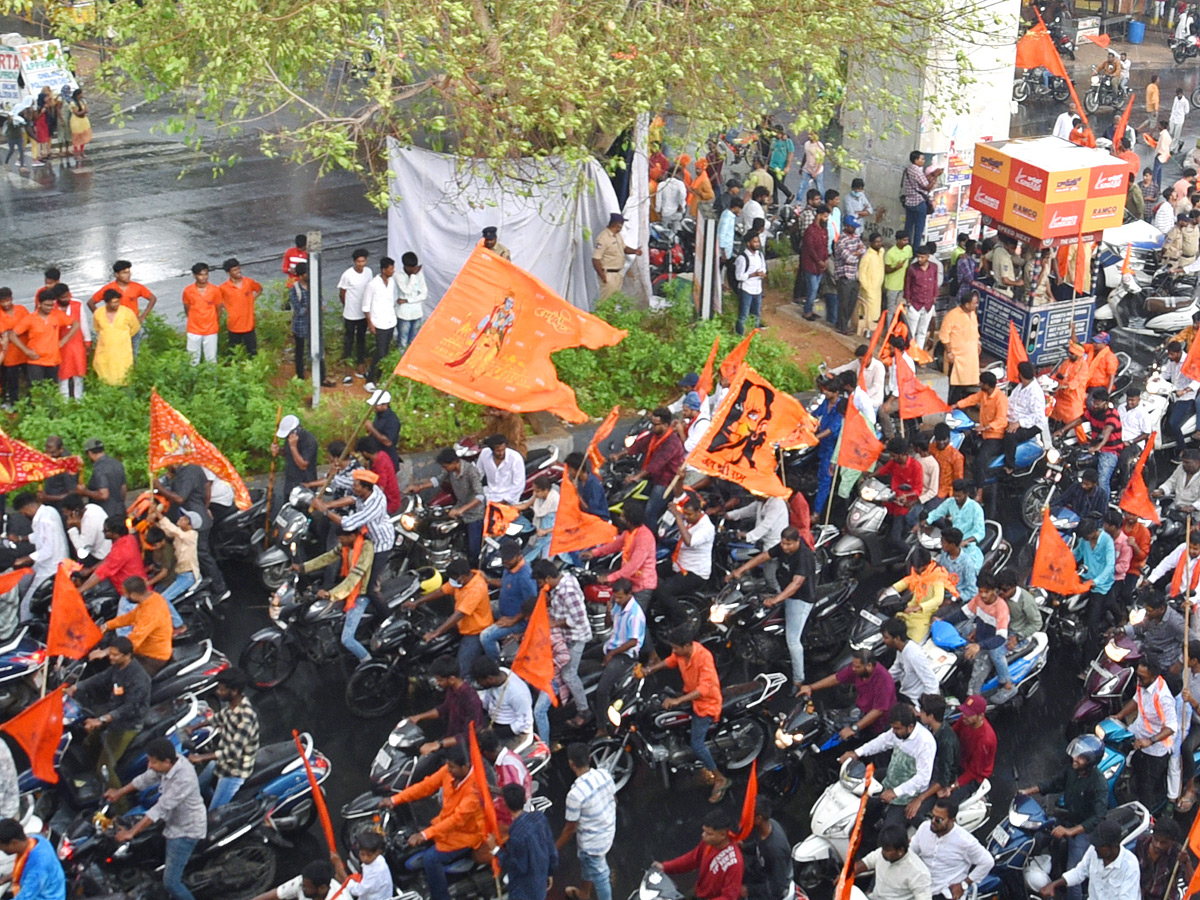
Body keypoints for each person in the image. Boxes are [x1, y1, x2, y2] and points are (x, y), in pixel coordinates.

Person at [376, 745, 484, 900]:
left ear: (465, 767)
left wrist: (424, 835)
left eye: (452, 767)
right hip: (441, 827)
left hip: (464, 836)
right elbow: (426, 786)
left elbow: (455, 820)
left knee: (430, 859)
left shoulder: (474, 791)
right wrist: (395, 799)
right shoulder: (449, 772)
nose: (448, 769)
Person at [104, 738, 207, 900]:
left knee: (171, 882)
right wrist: (118, 793)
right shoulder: (170, 763)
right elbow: (145, 779)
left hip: (186, 830)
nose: (150, 765)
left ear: (166, 762)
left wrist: (131, 832)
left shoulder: (184, 778)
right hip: (172, 821)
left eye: (153, 762)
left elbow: (160, 809)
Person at [639, 626, 729, 802]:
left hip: (706, 704)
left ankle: (720, 778)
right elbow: (670, 661)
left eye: (676, 648)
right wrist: (650, 670)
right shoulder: (681, 654)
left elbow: (704, 689)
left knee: (697, 744)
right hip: (689, 697)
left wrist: (678, 701)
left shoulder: (704, 657)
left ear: (688, 645)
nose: (674, 651)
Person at [1020, 734, 1110, 900]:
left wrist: (1070, 831)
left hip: (1085, 831)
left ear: (1091, 761)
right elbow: (1053, 784)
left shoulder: (1099, 783)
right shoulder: (1072, 770)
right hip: (1067, 818)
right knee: (1036, 837)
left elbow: (1098, 817)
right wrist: (1027, 792)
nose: (1075, 759)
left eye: (1081, 757)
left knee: (1073, 874)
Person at [726, 526, 814, 687]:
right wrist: (740, 570)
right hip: (783, 590)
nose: (785, 548)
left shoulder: (804, 556)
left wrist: (776, 600)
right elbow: (764, 556)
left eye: (789, 544)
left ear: (797, 542)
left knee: (793, 641)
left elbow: (796, 584)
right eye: (783, 544)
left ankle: (798, 681)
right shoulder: (782, 548)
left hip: (799, 599)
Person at [838, 703, 936, 836]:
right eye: (893, 728)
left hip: (906, 796)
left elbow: (923, 778)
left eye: (897, 728)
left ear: (910, 727)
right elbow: (881, 742)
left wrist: (896, 792)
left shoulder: (925, 743)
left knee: (887, 834)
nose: (894, 732)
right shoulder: (897, 733)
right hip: (889, 781)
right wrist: (857, 753)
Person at [311, 467, 395, 619]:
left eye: (356, 486)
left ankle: (386, 619)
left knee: (371, 588)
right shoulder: (364, 490)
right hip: (366, 539)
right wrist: (332, 478)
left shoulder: (375, 503)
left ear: (365, 488)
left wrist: (325, 510)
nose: (353, 487)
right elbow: (342, 484)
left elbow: (349, 524)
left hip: (380, 544)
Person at [188, 667, 259, 810]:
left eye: (222, 689)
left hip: (235, 770)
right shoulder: (232, 705)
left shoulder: (246, 717)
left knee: (215, 812)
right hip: (221, 759)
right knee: (196, 788)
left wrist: (200, 758)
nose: (218, 692)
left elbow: (232, 753)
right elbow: (219, 717)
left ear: (234, 691)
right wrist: (194, 727)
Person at [533, 558, 592, 724]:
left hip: (576, 636)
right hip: (565, 635)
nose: (540, 586)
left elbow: (578, 619)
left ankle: (584, 711)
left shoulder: (568, 591)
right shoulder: (562, 581)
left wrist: (555, 623)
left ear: (548, 579)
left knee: (568, 674)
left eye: (540, 582)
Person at [1113, 660, 1177, 813]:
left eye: (1142, 678)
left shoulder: (1163, 697)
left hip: (1156, 749)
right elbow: (1137, 700)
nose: (1138, 681)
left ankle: (1146, 820)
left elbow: (1171, 727)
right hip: (1137, 732)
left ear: (1154, 677)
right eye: (1138, 676)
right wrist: (1119, 716)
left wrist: (1150, 741)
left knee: (1145, 786)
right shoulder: (1143, 684)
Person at [559, 742, 617, 900]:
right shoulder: (604, 775)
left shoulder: (575, 794)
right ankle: (584, 894)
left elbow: (570, 828)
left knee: (601, 876)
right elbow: (614, 799)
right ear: (590, 759)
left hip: (592, 845)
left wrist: (555, 848)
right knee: (587, 866)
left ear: (571, 764)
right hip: (608, 832)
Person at [408, 447, 486, 561]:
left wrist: (462, 509)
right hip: (458, 508)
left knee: (473, 549)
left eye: (446, 466)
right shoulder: (450, 470)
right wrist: (419, 487)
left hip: (474, 513)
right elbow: (437, 480)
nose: (445, 469)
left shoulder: (471, 471)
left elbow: (480, 496)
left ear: (455, 462)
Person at [798, 648, 897, 737]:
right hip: (860, 708)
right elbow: (837, 678)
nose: (853, 669)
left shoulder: (884, 681)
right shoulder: (857, 670)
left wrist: (854, 728)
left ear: (869, 666)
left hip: (878, 723)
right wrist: (811, 687)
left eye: (857, 667)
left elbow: (878, 711)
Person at [909, 799, 993, 900]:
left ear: (952, 820)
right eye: (932, 816)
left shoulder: (965, 841)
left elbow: (987, 862)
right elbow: (910, 852)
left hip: (947, 894)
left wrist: (964, 884)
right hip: (922, 890)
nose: (933, 821)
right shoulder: (924, 828)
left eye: (938, 820)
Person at [614, 407, 683, 527]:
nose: (653, 427)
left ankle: (651, 537)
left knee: (649, 512)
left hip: (665, 483)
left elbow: (657, 464)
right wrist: (619, 455)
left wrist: (637, 476)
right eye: (652, 423)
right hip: (651, 477)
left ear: (666, 425)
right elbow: (639, 445)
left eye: (656, 424)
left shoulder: (673, 442)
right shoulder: (654, 435)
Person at [1038, 818, 1139, 900]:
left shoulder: (1130, 865)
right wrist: (1054, 884)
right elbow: (1079, 872)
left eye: (1099, 846)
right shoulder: (1094, 851)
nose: (1095, 848)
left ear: (1112, 846)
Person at [655, 809, 744, 900]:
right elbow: (692, 859)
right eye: (704, 831)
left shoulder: (734, 864)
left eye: (709, 834)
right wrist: (665, 867)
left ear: (722, 834)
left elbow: (729, 897)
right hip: (699, 892)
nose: (703, 835)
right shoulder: (708, 843)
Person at [97, 576, 173, 676]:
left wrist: (107, 652)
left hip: (152, 658)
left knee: (121, 677)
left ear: (134, 595)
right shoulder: (152, 598)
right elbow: (131, 617)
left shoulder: (150, 613)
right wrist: (107, 625)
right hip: (143, 651)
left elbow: (133, 640)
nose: (124, 596)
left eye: (125, 594)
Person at [493, 783, 557, 900]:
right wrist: (550, 872)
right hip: (541, 879)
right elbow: (551, 849)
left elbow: (516, 866)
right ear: (525, 799)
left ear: (505, 804)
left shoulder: (516, 835)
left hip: (524, 888)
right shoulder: (540, 818)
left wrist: (495, 850)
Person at [908, 694, 961, 824]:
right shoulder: (934, 729)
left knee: (912, 814)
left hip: (937, 783)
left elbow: (943, 779)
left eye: (922, 712)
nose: (920, 714)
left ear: (931, 716)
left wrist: (920, 798)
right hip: (927, 773)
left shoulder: (945, 742)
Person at [480, 539, 537, 660]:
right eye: (503, 558)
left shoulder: (525, 577)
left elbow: (532, 605)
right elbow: (505, 583)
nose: (504, 561)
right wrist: (488, 580)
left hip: (519, 620)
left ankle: (497, 662)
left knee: (486, 637)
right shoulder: (509, 566)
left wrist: (513, 620)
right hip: (503, 609)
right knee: (480, 606)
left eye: (508, 559)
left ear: (519, 556)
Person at [10, 290, 76, 384]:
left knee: (51, 390)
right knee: (37, 390)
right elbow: (12, 335)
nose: (50, 308)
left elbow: (75, 324)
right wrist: (27, 351)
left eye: (52, 305)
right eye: (47, 305)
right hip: (36, 361)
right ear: (39, 304)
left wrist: (63, 341)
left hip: (53, 360)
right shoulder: (30, 319)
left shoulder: (57, 315)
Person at [854, 826, 931, 900]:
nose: (883, 852)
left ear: (900, 851)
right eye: (883, 848)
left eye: (887, 850)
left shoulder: (919, 873)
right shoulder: (882, 852)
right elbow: (866, 862)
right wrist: (846, 875)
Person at [0, 816, 64, 899]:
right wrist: (3, 880)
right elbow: (23, 869)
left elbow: (25, 897)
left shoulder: (39, 867)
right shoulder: (35, 839)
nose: (1, 849)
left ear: (13, 843)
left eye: (1, 846)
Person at [1123, 590, 1185, 676]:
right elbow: (1139, 627)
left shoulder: (1175, 622)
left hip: (1165, 662)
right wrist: (1122, 630)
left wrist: (1179, 663)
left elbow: (1192, 642)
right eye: (1146, 609)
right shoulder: (1150, 616)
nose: (1147, 613)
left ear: (1161, 609)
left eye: (1150, 610)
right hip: (1147, 653)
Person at [471, 655, 534, 739]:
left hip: (509, 729)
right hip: (492, 719)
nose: (479, 684)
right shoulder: (500, 673)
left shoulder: (517, 693)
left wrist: (496, 732)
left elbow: (526, 723)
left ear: (490, 679)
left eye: (480, 682)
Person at [289, 263, 332, 385]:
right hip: (301, 325)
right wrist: (312, 307)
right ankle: (300, 376)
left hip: (315, 324)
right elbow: (299, 310)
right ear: (301, 276)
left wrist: (320, 305)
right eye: (306, 274)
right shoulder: (295, 290)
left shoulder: (314, 286)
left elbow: (321, 300)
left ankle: (322, 376)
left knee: (318, 349)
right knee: (300, 351)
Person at [741, 798, 792, 900]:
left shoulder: (775, 849)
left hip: (770, 885)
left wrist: (749, 890)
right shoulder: (768, 825)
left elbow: (778, 887)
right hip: (761, 871)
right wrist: (744, 847)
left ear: (759, 819)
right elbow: (758, 846)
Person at [882, 618, 940, 707]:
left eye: (886, 637)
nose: (884, 641)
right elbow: (896, 670)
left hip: (913, 702)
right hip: (904, 694)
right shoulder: (901, 650)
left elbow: (932, 683)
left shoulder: (914, 655)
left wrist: (923, 708)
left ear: (897, 638)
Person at [951, 694, 996, 805]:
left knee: (949, 803)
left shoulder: (986, 740)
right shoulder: (965, 719)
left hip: (975, 776)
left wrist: (952, 786)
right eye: (964, 712)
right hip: (961, 760)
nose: (964, 716)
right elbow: (952, 734)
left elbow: (974, 771)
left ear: (981, 716)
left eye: (969, 714)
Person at [90, 287, 141, 385]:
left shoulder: (127, 312)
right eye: (113, 302)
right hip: (105, 351)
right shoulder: (98, 313)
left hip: (122, 352)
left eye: (118, 302)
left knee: (123, 376)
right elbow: (98, 329)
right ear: (107, 302)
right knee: (105, 374)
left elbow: (135, 329)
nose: (116, 304)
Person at [1134, 818, 1193, 900]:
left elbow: (1191, 883)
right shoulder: (1141, 843)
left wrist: (1187, 862)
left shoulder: (1178, 853)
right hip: (1138, 893)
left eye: (1163, 842)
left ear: (1172, 842)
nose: (1158, 845)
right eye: (1156, 839)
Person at [939, 292, 980, 403]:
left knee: (963, 385)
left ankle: (958, 406)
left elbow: (975, 332)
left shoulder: (973, 314)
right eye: (974, 303)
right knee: (952, 385)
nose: (976, 305)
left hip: (970, 357)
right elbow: (944, 336)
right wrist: (949, 352)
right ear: (966, 304)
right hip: (956, 357)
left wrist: (978, 344)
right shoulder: (952, 315)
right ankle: (948, 406)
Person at [218, 258, 262, 358]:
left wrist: (252, 299)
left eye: (238, 269)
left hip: (249, 324)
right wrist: (227, 307)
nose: (238, 272)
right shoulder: (223, 288)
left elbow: (259, 289)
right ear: (228, 273)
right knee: (234, 353)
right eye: (234, 270)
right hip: (234, 325)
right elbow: (218, 301)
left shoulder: (248, 282)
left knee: (252, 352)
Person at [331, 830, 393, 900]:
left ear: (378, 852)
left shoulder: (376, 872)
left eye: (369, 855)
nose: (365, 858)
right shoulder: (376, 861)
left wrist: (341, 871)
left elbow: (358, 891)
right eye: (362, 854)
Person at [337, 249, 372, 372]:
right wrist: (347, 306)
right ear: (354, 262)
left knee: (361, 338)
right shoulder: (347, 275)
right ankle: (347, 360)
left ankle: (361, 361)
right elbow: (342, 293)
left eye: (363, 261)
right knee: (349, 338)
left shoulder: (368, 272)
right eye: (358, 261)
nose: (361, 264)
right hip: (350, 314)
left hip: (363, 313)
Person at [593, 213, 642, 300]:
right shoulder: (603, 238)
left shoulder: (617, 236)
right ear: (618, 225)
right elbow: (596, 259)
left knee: (614, 300)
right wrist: (603, 276)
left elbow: (624, 248)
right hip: (608, 274)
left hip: (618, 273)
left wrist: (635, 251)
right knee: (606, 301)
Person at [181, 263, 222, 365]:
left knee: (211, 358)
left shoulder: (214, 290)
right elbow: (187, 308)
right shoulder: (188, 291)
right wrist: (194, 320)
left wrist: (213, 321)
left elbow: (219, 308)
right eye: (201, 274)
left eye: (206, 274)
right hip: (194, 329)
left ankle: (212, 380)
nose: (204, 277)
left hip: (211, 329)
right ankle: (194, 380)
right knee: (192, 358)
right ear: (195, 276)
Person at [274, 414, 319, 499]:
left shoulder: (310, 441)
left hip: (304, 482)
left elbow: (303, 465)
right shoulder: (290, 438)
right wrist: (279, 451)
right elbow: (288, 453)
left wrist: (293, 447)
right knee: (287, 507)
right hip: (290, 481)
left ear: (296, 431)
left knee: (301, 510)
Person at [901, 151, 941, 248]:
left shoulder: (908, 169)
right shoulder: (918, 171)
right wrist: (935, 176)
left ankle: (906, 247)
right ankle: (915, 250)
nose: (923, 161)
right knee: (919, 229)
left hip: (909, 202)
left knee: (909, 227)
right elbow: (927, 186)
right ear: (916, 160)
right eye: (922, 159)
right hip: (918, 202)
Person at [799, 204, 831, 321]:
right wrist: (819, 261)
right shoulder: (810, 231)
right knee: (812, 289)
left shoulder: (824, 230)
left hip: (821, 266)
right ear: (818, 216)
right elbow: (810, 249)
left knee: (815, 289)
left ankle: (810, 309)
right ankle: (807, 311)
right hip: (811, 265)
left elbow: (825, 247)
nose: (826, 219)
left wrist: (826, 259)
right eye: (825, 216)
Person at [250, 860, 341, 900]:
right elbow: (277, 893)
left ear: (322, 888)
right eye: (303, 885)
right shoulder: (305, 882)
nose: (302, 888)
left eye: (306, 888)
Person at [479, 433, 526, 506]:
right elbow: (478, 473)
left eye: (503, 450)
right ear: (492, 450)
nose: (501, 453)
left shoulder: (515, 458)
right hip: (490, 495)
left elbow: (518, 485)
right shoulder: (484, 454)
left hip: (508, 498)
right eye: (498, 451)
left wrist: (503, 502)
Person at [734, 231, 766, 336]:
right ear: (748, 243)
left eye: (758, 242)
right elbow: (739, 276)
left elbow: (764, 268)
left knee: (756, 314)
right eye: (755, 242)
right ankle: (739, 336)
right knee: (744, 315)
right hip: (746, 289)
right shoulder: (742, 258)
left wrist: (762, 274)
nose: (757, 244)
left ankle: (754, 335)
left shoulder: (760, 255)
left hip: (757, 289)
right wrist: (753, 274)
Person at [396, 251, 427, 350]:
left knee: (414, 341)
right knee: (403, 341)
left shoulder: (419, 274)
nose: (414, 269)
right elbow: (407, 290)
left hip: (417, 313)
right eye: (411, 267)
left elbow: (424, 294)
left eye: (414, 267)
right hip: (404, 315)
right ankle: (400, 362)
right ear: (406, 266)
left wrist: (407, 300)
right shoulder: (398, 275)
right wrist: (413, 276)